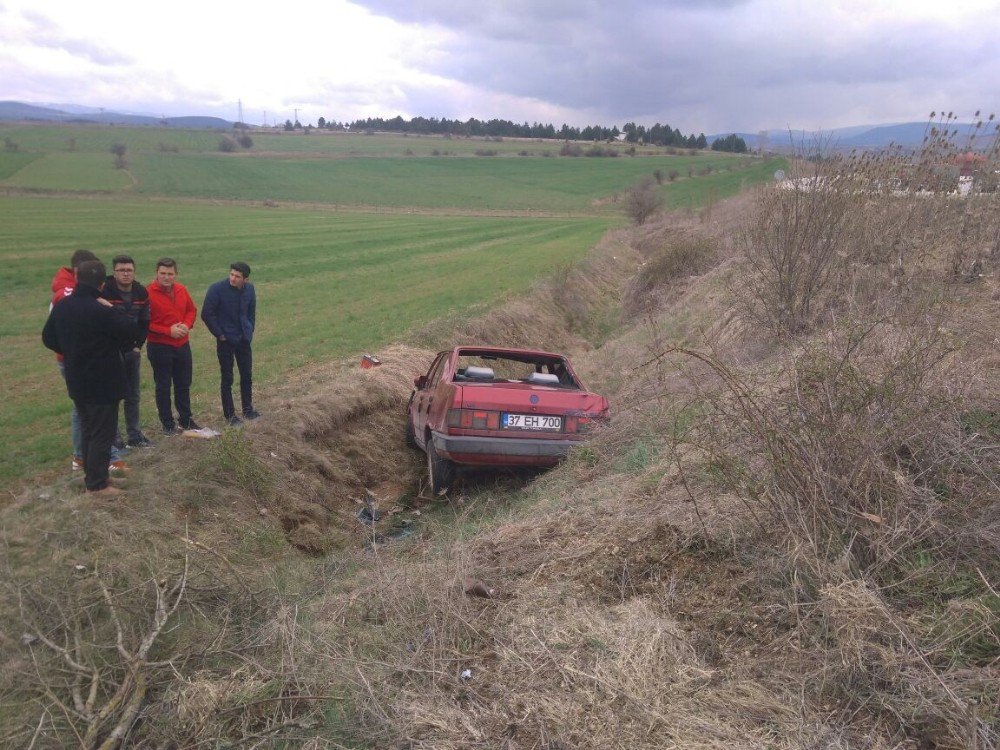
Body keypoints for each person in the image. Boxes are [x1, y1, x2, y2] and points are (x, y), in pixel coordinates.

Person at [43, 260, 141, 497]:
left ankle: (93, 477)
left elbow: (48, 338)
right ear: (100, 283)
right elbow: (131, 331)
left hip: (76, 379)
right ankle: (98, 485)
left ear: (77, 278)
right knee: (101, 433)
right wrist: (111, 307)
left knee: (88, 429)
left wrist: (73, 351)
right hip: (104, 381)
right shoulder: (101, 310)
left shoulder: (63, 306)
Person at [50, 249, 127, 473]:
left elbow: (49, 336)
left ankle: (89, 465)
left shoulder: (69, 296)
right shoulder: (67, 296)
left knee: (86, 413)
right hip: (84, 365)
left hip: (76, 360)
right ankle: (92, 462)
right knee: (94, 416)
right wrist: (76, 351)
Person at [101, 255, 152, 448]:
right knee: (113, 395)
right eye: (121, 270)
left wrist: (139, 345)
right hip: (111, 353)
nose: (125, 273)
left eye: (129, 270)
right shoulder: (105, 292)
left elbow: (145, 321)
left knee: (133, 395)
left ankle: (134, 435)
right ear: (114, 272)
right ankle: (114, 438)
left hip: (132, 351)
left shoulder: (141, 292)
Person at [201, 262, 260, 425]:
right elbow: (207, 314)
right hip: (225, 340)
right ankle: (230, 415)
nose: (233, 278)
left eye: (237, 276)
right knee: (227, 377)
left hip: (243, 339)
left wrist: (249, 330)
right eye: (231, 274)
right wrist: (220, 335)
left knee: (246, 374)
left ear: (245, 279)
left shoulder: (250, 290)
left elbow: (251, 312)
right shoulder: (217, 289)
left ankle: (248, 409)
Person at [146, 257, 199, 434]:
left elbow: (191, 310)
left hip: (182, 345)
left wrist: (186, 324)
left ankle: (185, 419)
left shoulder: (181, 289)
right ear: (157, 273)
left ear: (176, 274)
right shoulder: (148, 293)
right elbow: (144, 323)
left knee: (183, 383)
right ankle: (167, 424)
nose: (166, 277)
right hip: (160, 346)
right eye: (163, 273)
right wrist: (168, 331)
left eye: (170, 274)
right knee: (163, 386)